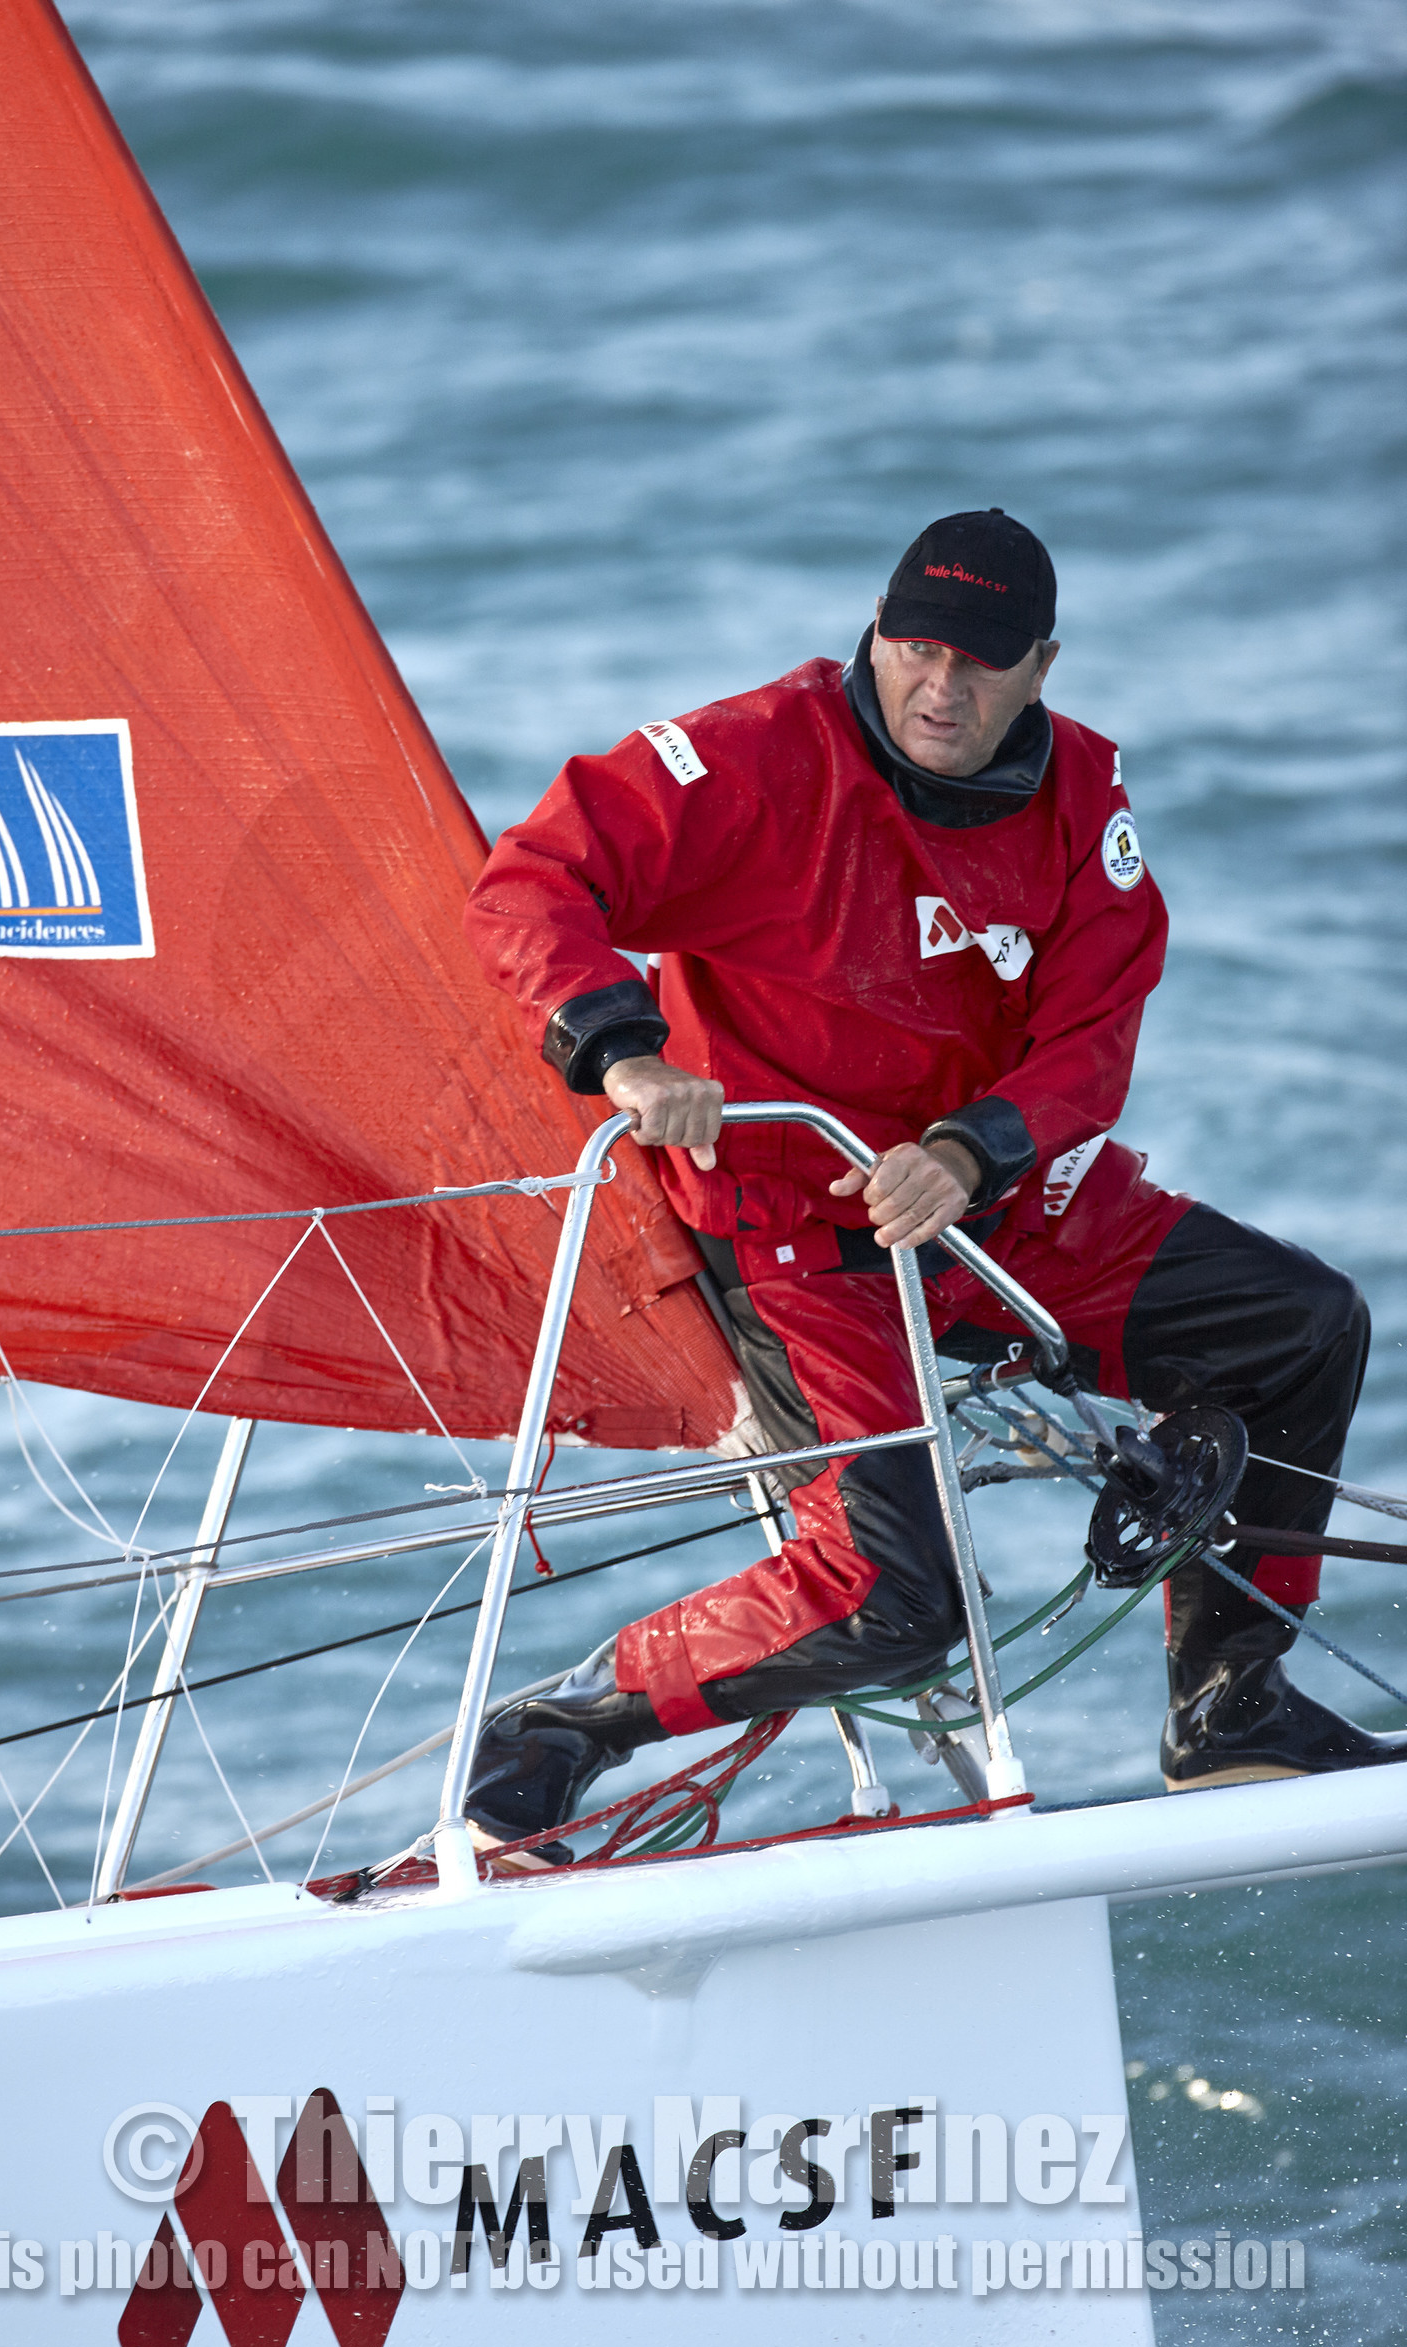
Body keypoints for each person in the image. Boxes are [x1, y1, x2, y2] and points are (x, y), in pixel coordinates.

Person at [459, 507, 1404, 1860]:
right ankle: (568, 1724)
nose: (939, 686)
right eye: (913, 647)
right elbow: (533, 879)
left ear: (1041, 666)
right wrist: (623, 1053)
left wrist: (974, 1151)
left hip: (988, 1205)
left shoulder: (1082, 793)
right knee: (898, 1605)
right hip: (795, 1232)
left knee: (1299, 1327)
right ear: (878, 636)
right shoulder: (754, 758)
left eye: (978, 660)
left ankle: (1230, 1707)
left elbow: (1096, 1028)